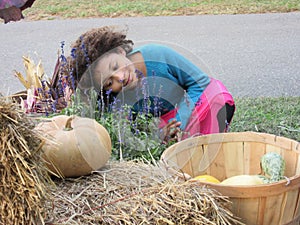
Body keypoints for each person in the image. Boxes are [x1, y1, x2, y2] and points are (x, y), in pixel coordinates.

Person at [64, 26, 235, 143]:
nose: (120, 78)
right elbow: (130, 134)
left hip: (192, 105)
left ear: (120, 51)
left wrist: (179, 121)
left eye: (116, 66)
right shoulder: (117, 101)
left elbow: (200, 82)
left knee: (216, 95)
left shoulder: (157, 54)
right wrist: (160, 134)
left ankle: (209, 141)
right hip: (163, 124)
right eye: (109, 82)